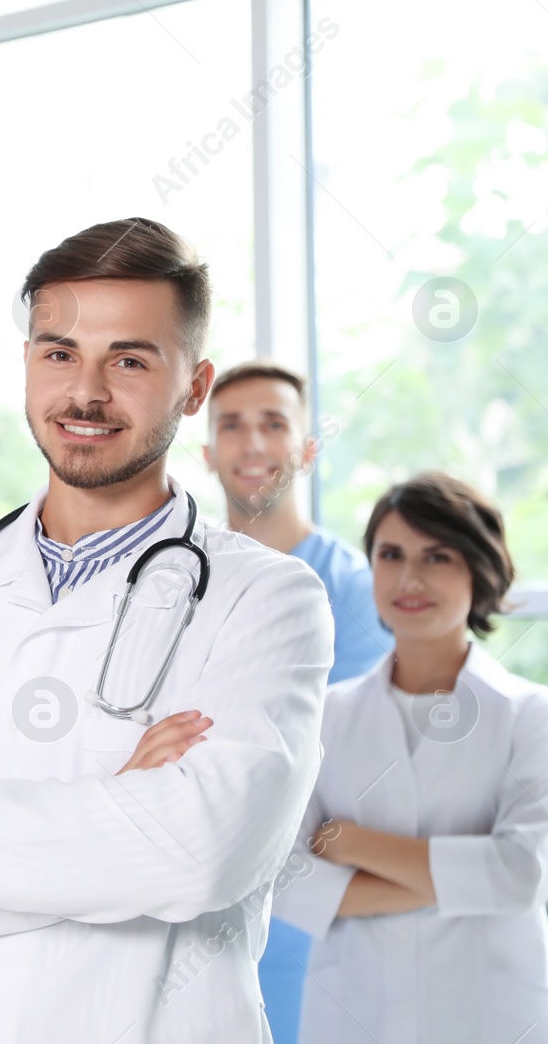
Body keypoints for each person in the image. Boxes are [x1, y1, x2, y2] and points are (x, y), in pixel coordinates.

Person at [0, 217, 334, 1042]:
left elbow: (202, 854)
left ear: (195, 385)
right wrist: (117, 810)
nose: (87, 391)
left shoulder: (267, 598)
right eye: (59, 353)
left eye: (130, 359)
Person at [273, 472, 548, 1043]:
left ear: (478, 569)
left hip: (499, 1019)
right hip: (356, 1015)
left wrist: (354, 844)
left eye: (436, 556)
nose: (409, 577)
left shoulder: (535, 716)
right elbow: (287, 884)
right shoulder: (324, 717)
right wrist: (467, 881)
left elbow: (521, 876)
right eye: (391, 555)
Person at [202, 359, 393, 1042]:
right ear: (207, 453)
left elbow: (353, 760)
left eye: (274, 424)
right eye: (232, 425)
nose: (253, 443)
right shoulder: (174, 576)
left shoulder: (355, 591)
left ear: (308, 449)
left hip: (306, 913)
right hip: (189, 898)